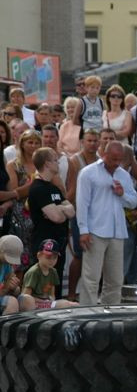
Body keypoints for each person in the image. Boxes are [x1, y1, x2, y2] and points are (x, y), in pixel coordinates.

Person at [76, 141, 137, 305]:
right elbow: (82, 203)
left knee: (116, 279)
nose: (116, 163)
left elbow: (133, 202)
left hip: (118, 231)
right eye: (113, 159)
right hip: (94, 230)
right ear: (104, 155)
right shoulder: (88, 173)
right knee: (91, 277)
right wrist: (83, 230)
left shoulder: (123, 175)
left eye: (119, 159)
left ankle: (110, 312)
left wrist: (122, 194)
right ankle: (87, 312)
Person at [27, 148, 75, 297]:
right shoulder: (38, 188)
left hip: (59, 245)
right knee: (42, 287)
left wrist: (59, 208)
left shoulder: (54, 188)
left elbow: (72, 211)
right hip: (44, 244)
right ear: (47, 163)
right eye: (55, 160)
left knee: (57, 284)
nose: (58, 162)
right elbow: (57, 217)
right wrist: (62, 210)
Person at [65, 128, 101, 301]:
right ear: (82, 142)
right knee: (79, 255)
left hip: (97, 214)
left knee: (94, 255)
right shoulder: (75, 161)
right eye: (89, 140)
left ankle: (89, 293)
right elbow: (71, 191)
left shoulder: (101, 160)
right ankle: (72, 293)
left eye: (95, 140)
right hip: (80, 213)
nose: (92, 143)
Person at [6, 129, 42, 270]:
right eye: (30, 142)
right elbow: (15, 191)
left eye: (37, 143)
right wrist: (34, 184)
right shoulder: (13, 165)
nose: (33, 146)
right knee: (20, 256)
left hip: (40, 211)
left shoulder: (43, 163)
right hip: (21, 213)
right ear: (22, 144)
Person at [22, 239, 77, 309]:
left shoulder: (53, 272)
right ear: (39, 255)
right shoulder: (33, 272)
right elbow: (25, 297)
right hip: (33, 304)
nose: (52, 260)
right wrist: (46, 302)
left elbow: (52, 294)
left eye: (55, 257)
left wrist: (51, 302)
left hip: (46, 303)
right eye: (48, 257)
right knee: (66, 304)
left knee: (74, 305)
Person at [0, 235, 35, 314]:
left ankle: (26, 326)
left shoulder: (7, 265)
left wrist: (14, 288)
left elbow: (16, 291)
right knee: (12, 302)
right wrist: (6, 288)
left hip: (3, 295)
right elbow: (5, 290)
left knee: (28, 300)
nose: (11, 262)